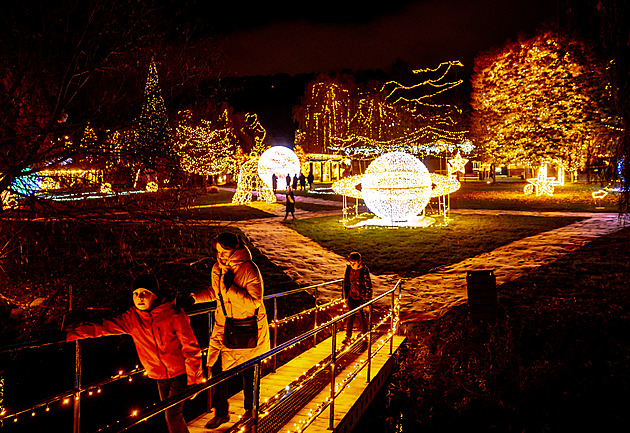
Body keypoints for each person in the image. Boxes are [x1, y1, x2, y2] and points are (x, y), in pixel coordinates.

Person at [66, 274, 203, 433]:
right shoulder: (132, 318)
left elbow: (191, 347)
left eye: (145, 293)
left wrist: (194, 378)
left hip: (181, 373)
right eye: (136, 294)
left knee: (172, 414)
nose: (140, 298)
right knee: (171, 414)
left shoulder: (174, 315)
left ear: (155, 295)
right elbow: (104, 328)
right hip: (159, 375)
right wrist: (73, 334)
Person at [187, 232, 270, 429]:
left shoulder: (249, 269)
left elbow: (254, 301)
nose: (221, 255)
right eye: (218, 251)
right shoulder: (217, 269)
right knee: (216, 371)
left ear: (235, 249)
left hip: (247, 328)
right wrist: (193, 298)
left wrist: (231, 288)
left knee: (249, 372)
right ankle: (221, 413)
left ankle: (251, 410)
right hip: (223, 327)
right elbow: (216, 293)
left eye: (225, 251)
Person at [342, 252, 372, 345]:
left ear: (359, 262)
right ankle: (348, 336)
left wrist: (367, 301)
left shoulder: (364, 271)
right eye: (350, 263)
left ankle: (365, 336)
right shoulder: (348, 269)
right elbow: (346, 283)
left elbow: (368, 286)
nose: (352, 265)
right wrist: (345, 297)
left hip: (361, 297)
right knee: (350, 316)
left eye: (353, 263)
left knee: (364, 317)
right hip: (352, 295)